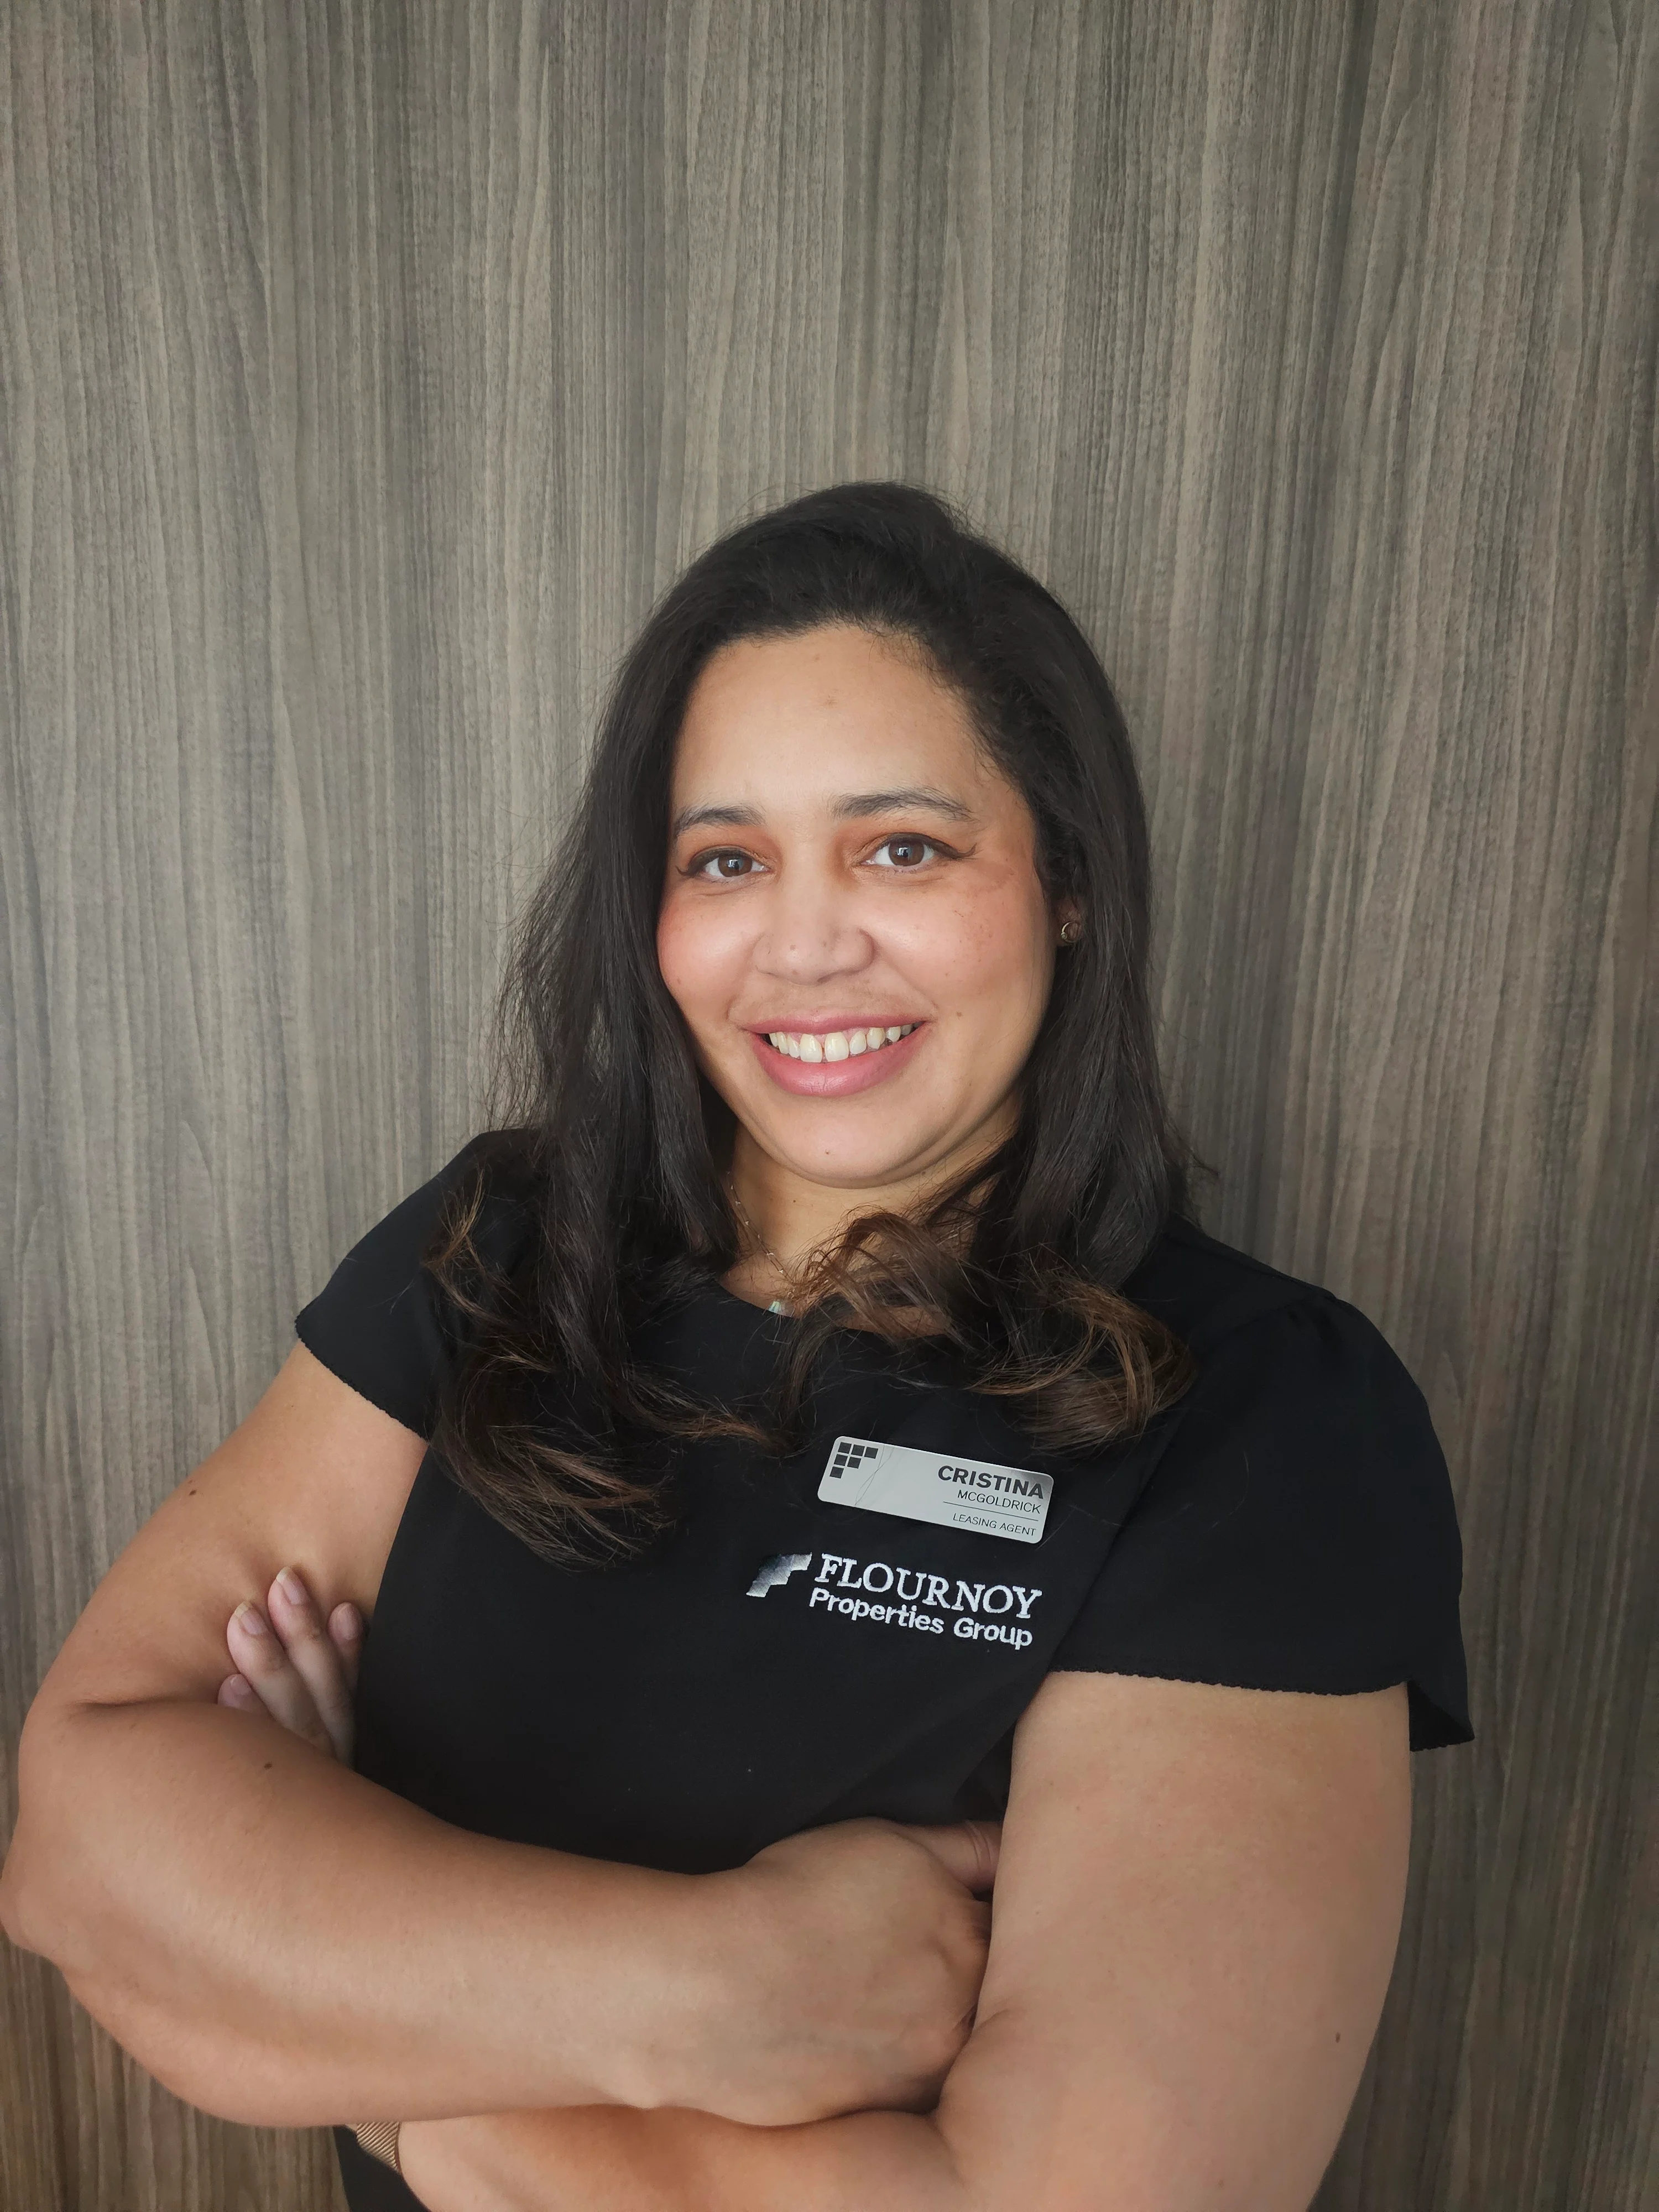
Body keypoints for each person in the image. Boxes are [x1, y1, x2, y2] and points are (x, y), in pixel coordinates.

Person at [0, 482, 1471, 2211]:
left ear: (1068, 882)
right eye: (725, 859)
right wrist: (719, 1993)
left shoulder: (1267, 1418)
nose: (802, 941)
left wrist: (394, 2056)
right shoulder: (502, 1246)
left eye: (903, 846)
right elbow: (82, 1846)